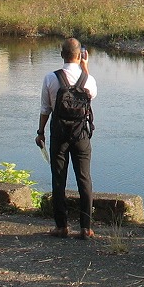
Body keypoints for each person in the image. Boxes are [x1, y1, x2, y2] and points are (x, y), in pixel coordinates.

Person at [36, 38, 98, 239]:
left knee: (58, 179)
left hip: (59, 134)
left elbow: (46, 108)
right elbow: (91, 97)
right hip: (81, 135)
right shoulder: (88, 79)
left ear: (61, 54)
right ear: (80, 55)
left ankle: (61, 226)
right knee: (84, 179)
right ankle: (86, 227)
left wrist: (40, 132)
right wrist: (85, 68)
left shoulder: (50, 78)